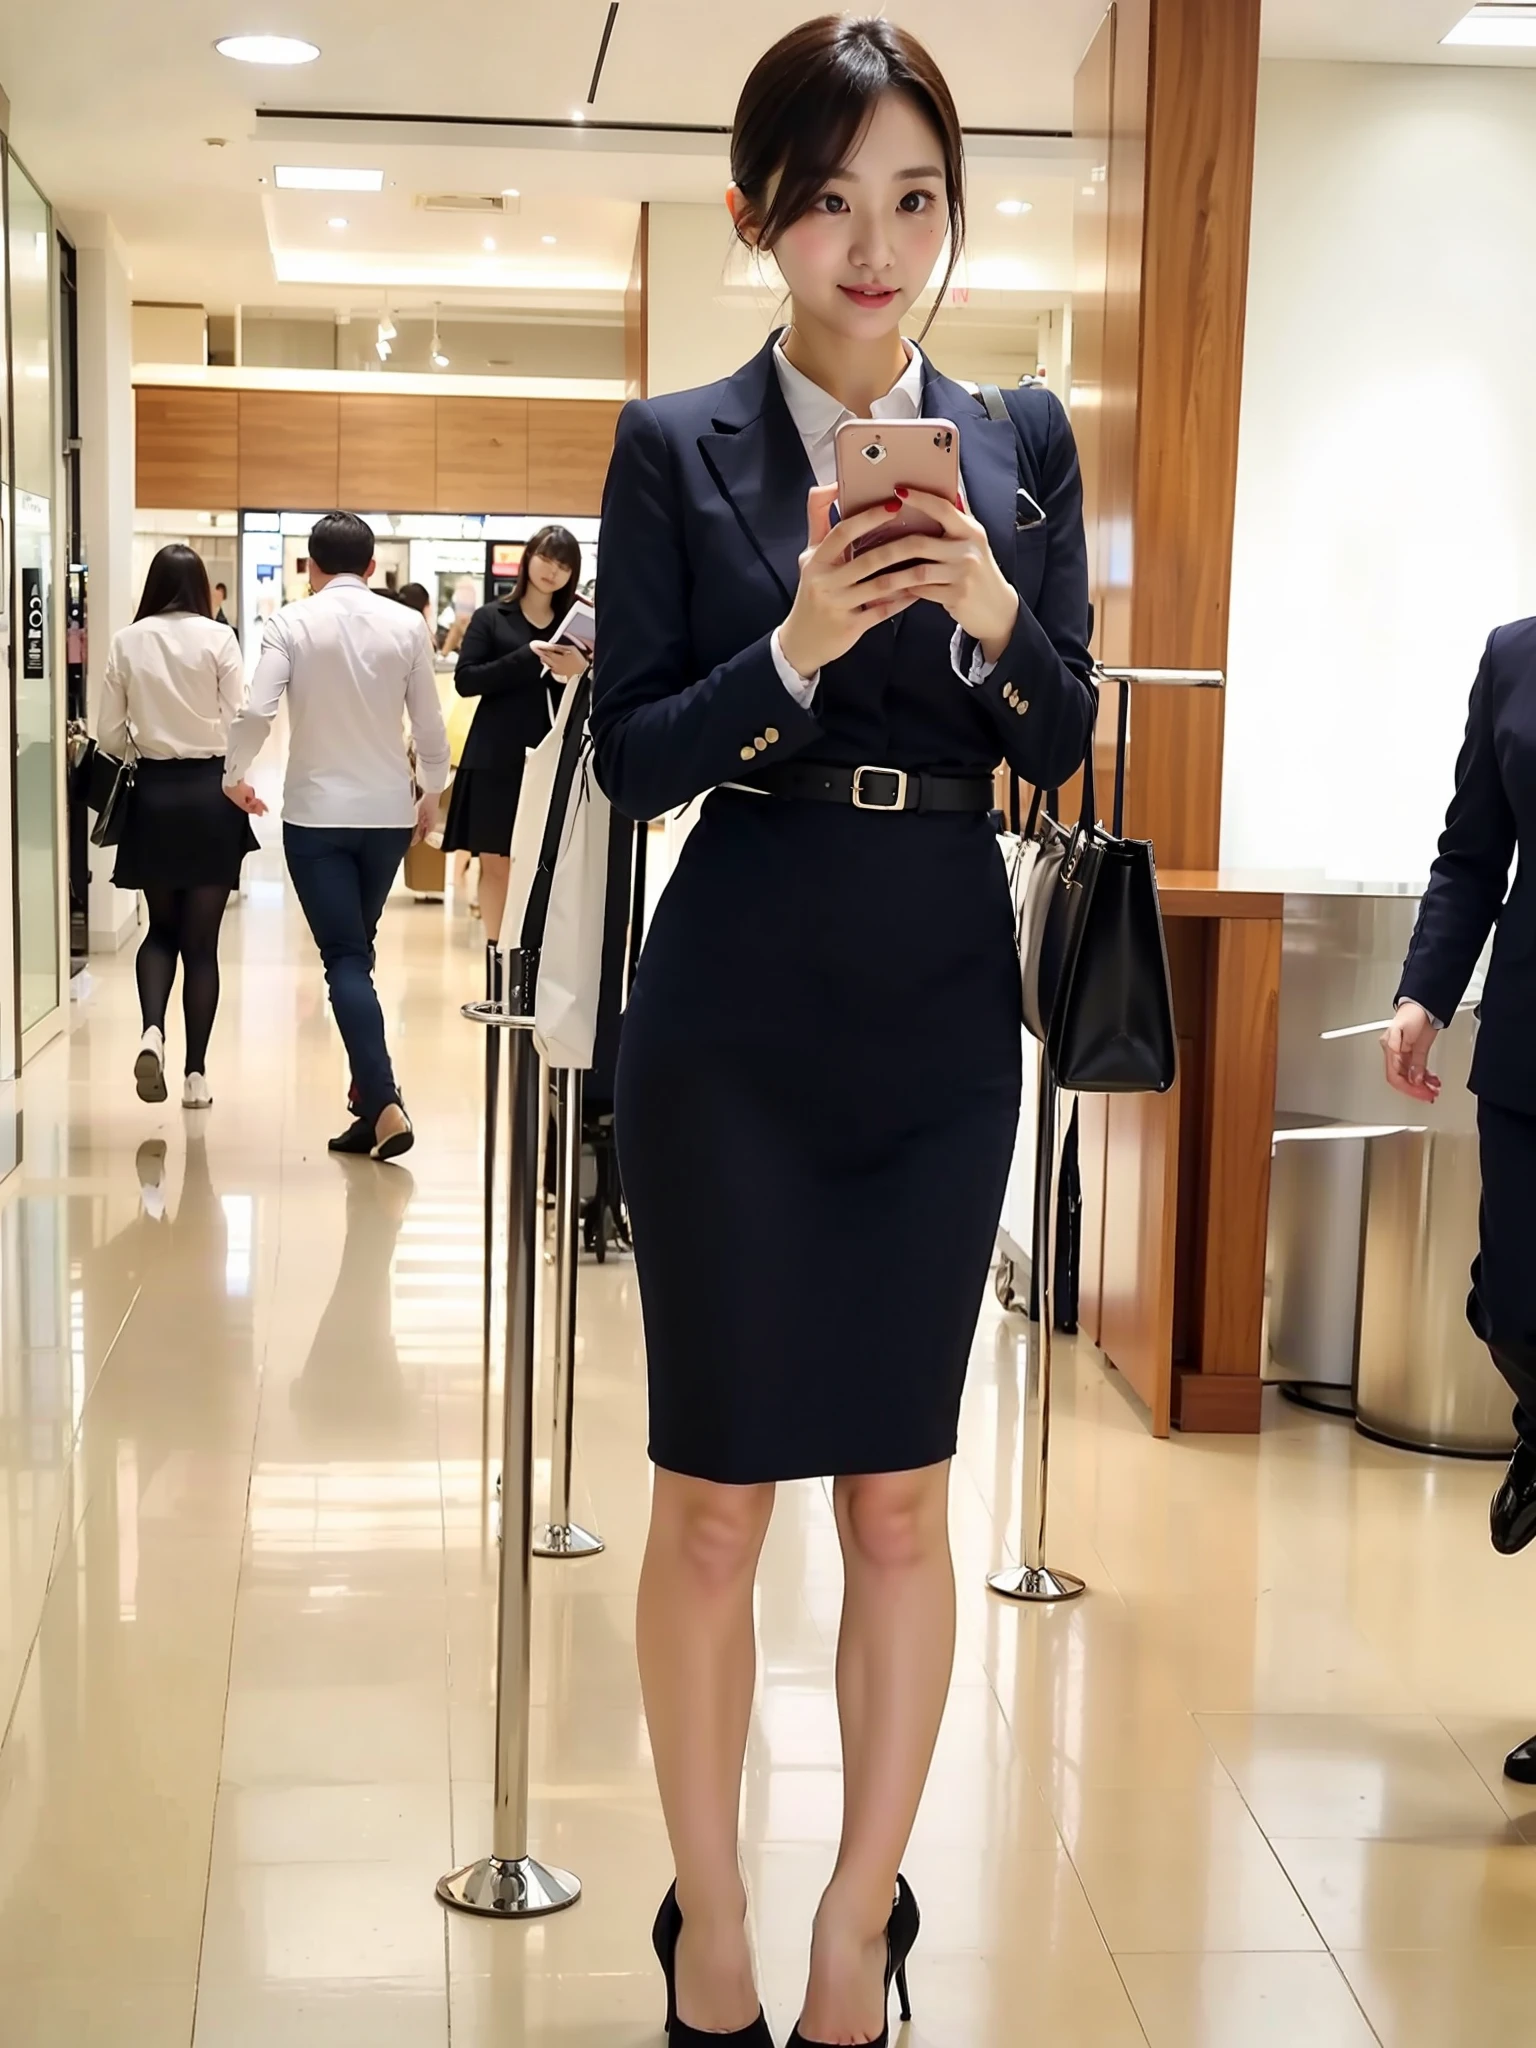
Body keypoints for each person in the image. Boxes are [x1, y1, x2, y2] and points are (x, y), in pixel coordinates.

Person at [589, 19, 1095, 2048]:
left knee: (900, 1496)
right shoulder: (676, 445)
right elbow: (631, 758)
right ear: (757, 217)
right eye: (830, 202)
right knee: (713, 1495)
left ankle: (849, 1925)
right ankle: (710, 1921)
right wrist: (792, 647)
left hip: (936, 1000)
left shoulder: (1025, 438)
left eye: (915, 202)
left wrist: (988, 605)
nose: (876, 248)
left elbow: (1060, 739)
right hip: (733, 994)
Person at [1385, 613, 1536, 1783]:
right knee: (1517, 1313)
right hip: (1530, 1053)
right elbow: (1471, 853)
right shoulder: (1515, 654)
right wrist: (1424, 992)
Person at [223, 512, 449, 1162]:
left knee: (345, 958)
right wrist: (429, 794)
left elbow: (256, 711)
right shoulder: (408, 625)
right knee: (358, 954)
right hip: (386, 816)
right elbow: (429, 727)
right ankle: (367, 1105)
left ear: (311, 568)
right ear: (373, 568)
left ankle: (382, 1103)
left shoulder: (291, 622)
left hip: (317, 817)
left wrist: (232, 776)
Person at [100, 543, 256, 1109]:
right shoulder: (220, 638)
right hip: (212, 797)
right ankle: (195, 1076)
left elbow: (109, 734)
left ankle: (151, 1033)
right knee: (203, 947)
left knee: (159, 932)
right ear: (200, 588)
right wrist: (237, 778)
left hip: (155, 799)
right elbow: (240, 718)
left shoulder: (127, 640)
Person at [440, 526, 589, 948]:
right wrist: (527, 657)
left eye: (564, 565)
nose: (553, 571)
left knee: (544, 857)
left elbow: (585, 689)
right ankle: (498, 950)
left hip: (550, 752)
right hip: (494, 752)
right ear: (528, 559)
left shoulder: (572, 623)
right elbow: (466, 680)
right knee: (496, 857)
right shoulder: (491, 616)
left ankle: (532, 948)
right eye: (547, 558)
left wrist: (572, 672)